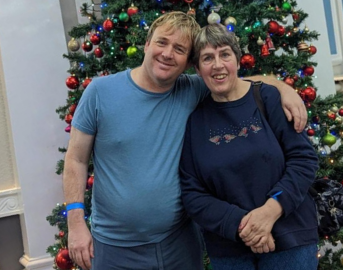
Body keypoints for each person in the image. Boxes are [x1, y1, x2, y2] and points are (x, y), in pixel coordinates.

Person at [63, 11, 308, 270]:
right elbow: (76, 159)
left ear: (188, 64)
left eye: (179, 49)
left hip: (179, 244)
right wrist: (76, 223)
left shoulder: (193, 89)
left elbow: (240, 81)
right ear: (147, 44)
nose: (168, 54)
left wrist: (284, 89)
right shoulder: (100, 93)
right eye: (162, 42)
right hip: (115, 248)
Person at [180, 23, 319, 270]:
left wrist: (269, 212)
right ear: (198, 70)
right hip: (229, 249)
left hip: (289, 240)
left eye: (225, 54)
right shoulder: (195, 122)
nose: (218, 65)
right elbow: (192, 193)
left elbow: (303, 160)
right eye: (207, 58)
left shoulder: (268, 98)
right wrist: (244, 224)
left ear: (237, 59)